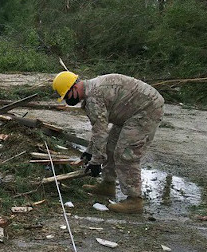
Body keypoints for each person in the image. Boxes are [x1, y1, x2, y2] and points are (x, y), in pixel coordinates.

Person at [52, 72, 164, 213]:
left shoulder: (93, 97)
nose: (67, 101)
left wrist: (96, 161)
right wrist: (89, 151)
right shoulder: (91, 92)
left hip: (146, 110)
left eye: (66, 96)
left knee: (126, 154)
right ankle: (108, 184)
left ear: (73, 88)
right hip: (130, 111)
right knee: (111, 146)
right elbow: (99, 129)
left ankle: (134, 200)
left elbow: (100, 132)